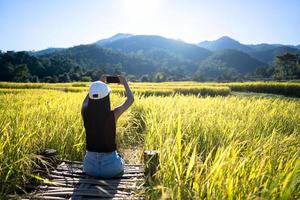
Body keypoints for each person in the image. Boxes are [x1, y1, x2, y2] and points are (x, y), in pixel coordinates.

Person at [81, 75, 134, 178]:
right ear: (106, 97)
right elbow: (130, 99)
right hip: (111, 169)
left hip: (89, 168)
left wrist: (97, 85)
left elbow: (86, 101)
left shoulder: (85, 112)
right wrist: (124, 83)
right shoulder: (113, 114)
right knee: (120, 158)